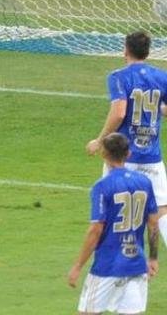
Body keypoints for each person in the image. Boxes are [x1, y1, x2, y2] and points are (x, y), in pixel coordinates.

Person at [86, 30, 167, 246]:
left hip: (121, 155)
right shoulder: (162, 78)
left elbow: (119, 112)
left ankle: (116, 248)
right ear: (148, 52)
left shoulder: (118, 77)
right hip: (152, 157)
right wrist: (155, 108)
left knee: (112, 204)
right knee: (161, 211)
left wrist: (100, 140)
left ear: (126, 50)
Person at [69, 132, 160, 315]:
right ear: (128, 154)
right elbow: (153, 224)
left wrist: (78, 265)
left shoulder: (103, 186)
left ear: (104, 154)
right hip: (136, 264)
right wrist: (153, 258)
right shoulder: (144, 182)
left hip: (107, 265)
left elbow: (95, 230)